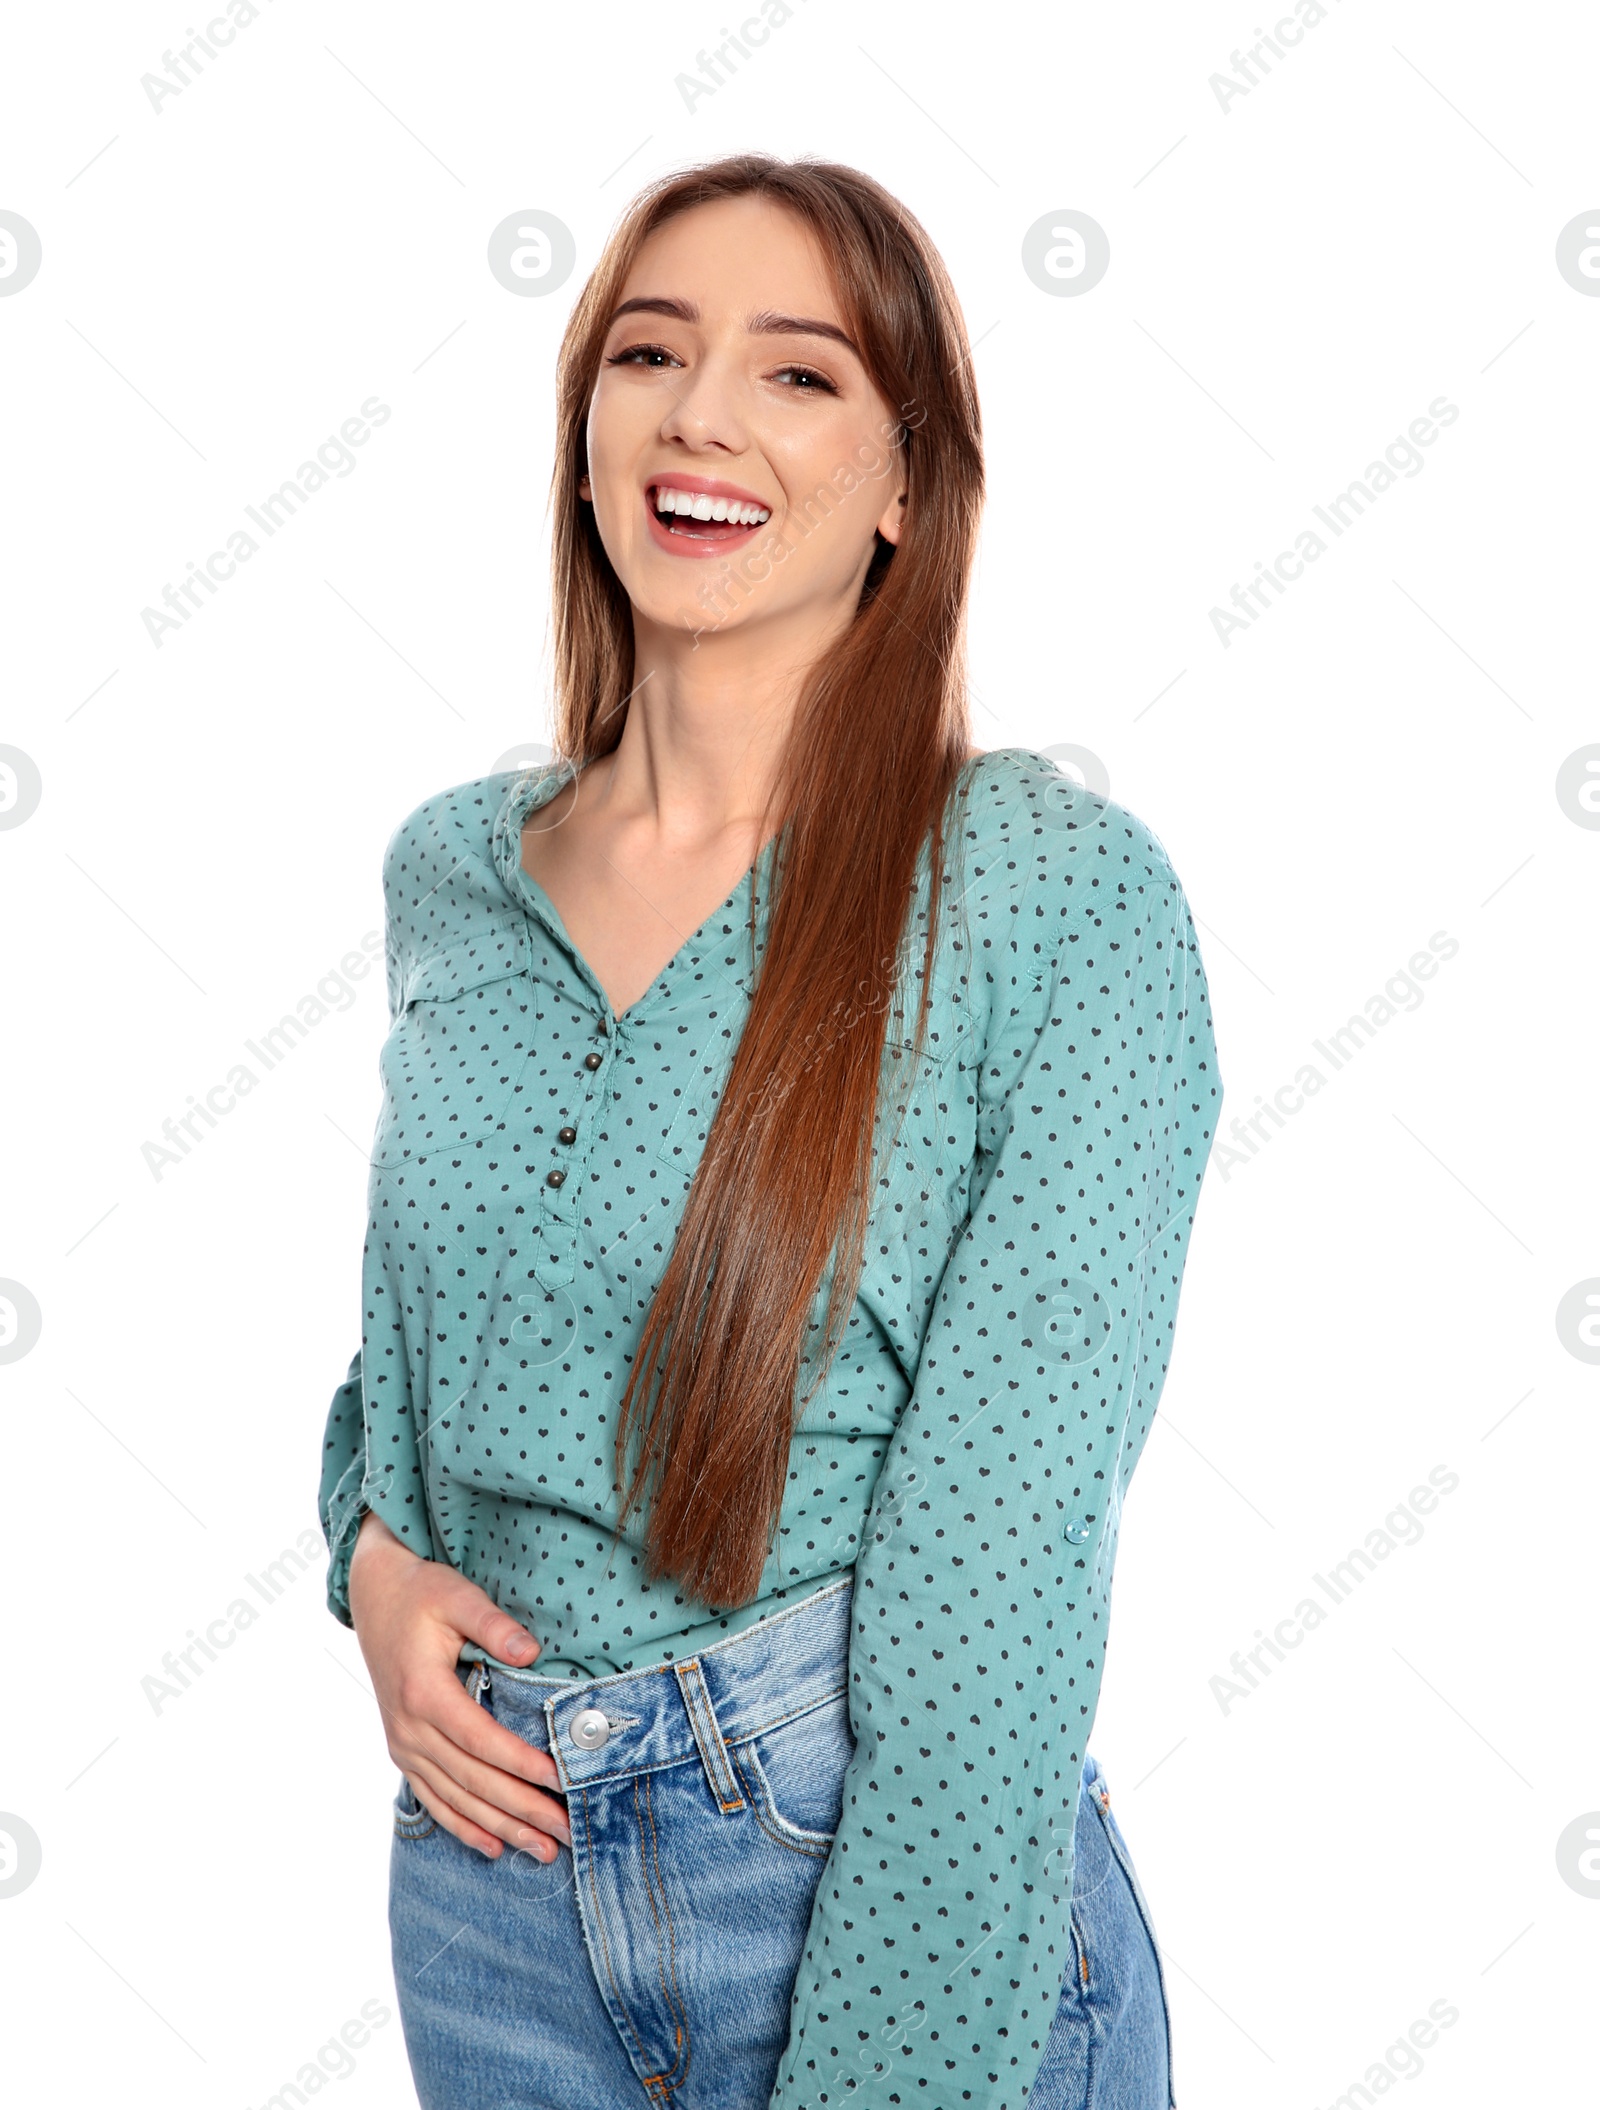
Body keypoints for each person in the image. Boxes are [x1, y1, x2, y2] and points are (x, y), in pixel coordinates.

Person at [318, 152, 1224, 2110]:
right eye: (648, 350)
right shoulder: (451, 878)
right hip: (489, 1891)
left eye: (797, 372)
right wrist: (375, 1569)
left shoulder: (1050, 901)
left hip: (875, 1865)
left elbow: (998, 1563)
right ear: (583, 437)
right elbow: (421, 1361)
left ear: (907, 486)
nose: (700, 411)